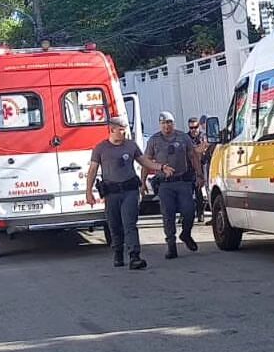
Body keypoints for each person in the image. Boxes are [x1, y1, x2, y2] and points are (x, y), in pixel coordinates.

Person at [87, 116, 174, 270]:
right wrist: (89, 192)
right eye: (121, 129)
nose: (124, 132)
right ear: (112, 129)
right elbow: (93, 170)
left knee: (130, 224)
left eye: (125, 129)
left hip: (129, 191)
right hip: (111, 193)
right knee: (114, 225)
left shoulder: (131, 146)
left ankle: (134, 256)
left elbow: (145, 161)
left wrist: (161, 167)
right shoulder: (101, 148)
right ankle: (118, 253)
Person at [144, 111, 204, 259]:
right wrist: (142, 181)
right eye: (163, 123)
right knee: (168, 214)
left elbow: (193, 156)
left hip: (182, 181)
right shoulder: (154, 140)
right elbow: (146, 161)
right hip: (165, 184)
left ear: (173, 123)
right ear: (160, 124)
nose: (166, 126)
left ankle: (186, 234)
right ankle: (171, 245)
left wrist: (199, 175)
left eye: (169, 122)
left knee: (189, 211)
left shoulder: (183, 138)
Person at [187, 116, 210, 223]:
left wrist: (199, 150)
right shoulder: (186, 138)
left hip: (203, 165)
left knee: (201, 191)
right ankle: (186, 214)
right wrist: (198, 150)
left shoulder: (203, 136)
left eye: (195, 127)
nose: (193, 130)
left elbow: (205, 148)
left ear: (199, 126)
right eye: (191, 128)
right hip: (190, 167)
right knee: (188, 193)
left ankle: (200, 213)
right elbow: (193, 151)